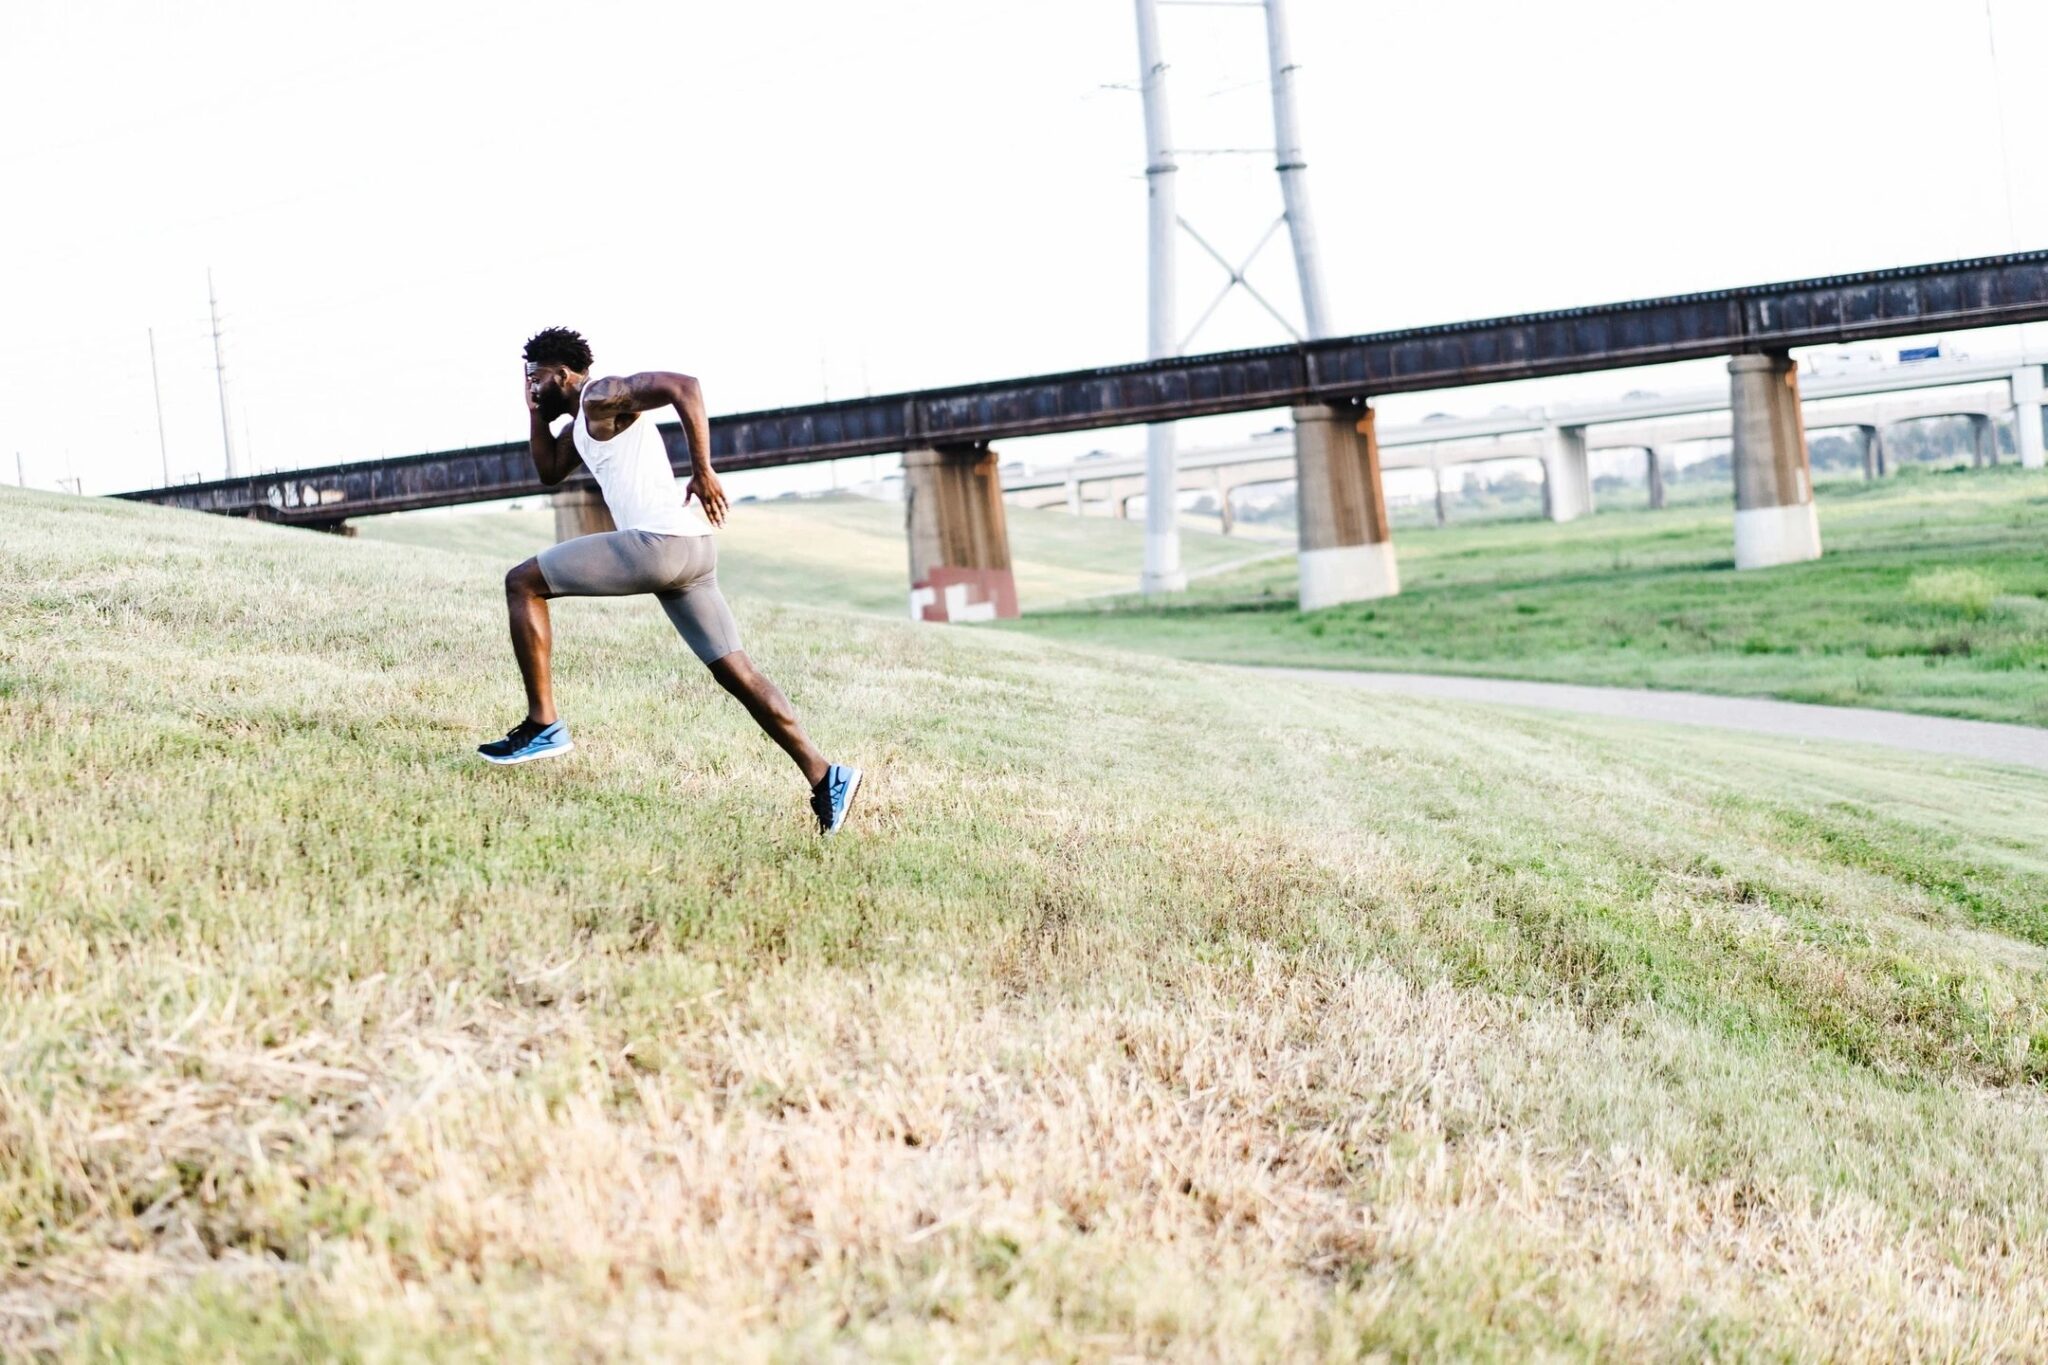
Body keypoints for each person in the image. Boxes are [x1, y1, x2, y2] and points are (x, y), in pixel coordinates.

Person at [479, 326, 861, 837]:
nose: (531, 388)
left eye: (537, 379)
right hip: (693, 553)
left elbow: (685, 386)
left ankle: (542, 725)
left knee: (522, 582)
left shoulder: (600, 395)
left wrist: (703, 470)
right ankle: (825, 775)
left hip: (659, 545)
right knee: (737, 673)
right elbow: (548, 471)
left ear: (565, 376)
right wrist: (533, 411)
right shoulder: (580, 427)